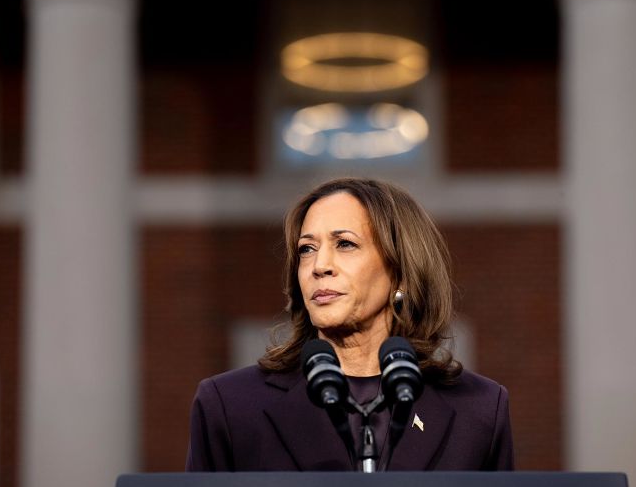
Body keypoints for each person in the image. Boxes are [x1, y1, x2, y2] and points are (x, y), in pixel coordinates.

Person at [186, 177, 513, 471]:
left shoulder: (479, 410)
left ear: (400, 271)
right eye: (307, 249)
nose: (320, 266)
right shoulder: (230, 405)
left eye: (345, 244)